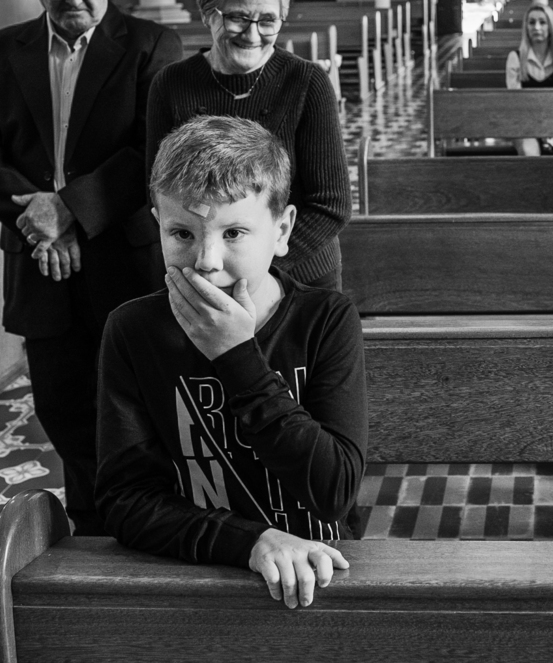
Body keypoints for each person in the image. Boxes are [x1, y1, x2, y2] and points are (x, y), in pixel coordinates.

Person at [0, 0, 182, 536]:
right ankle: (94, 522)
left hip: (121, 255)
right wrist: (40, 219)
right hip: (38, 258)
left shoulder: (148, 46)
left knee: (137, 399)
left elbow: (154, 147)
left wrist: (71, 210)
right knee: (61, 402)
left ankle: (153, 520)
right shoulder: (0, 52)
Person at [96, 115, 367, 610]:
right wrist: (251, 542)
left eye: (235, 232)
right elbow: (124, 502)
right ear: (157, 225)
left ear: (282, 230)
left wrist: (237, 357)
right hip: (199, 577)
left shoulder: (326, 319)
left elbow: (336, 490)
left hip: (322, 573)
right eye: (182, 233)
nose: (206, 260)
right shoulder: (132, 331)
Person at [147, 0, 350, 289]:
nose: (253, 34)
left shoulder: (307, 81)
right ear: (208, 10)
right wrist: (208, 263)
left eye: (268, 20)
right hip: (203, 273)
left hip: (300, 277)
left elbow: (330, 204)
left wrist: (253, 272)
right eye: (239, 17)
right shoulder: (171, 84)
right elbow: (157, 194)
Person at [506, 3, 553, 156]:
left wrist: (550, 128)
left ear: (550, 26)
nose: (536, 27)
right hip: (525, 125)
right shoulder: (516, 58)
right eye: (531, 22)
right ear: (526, 27)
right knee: (529, 150)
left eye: (542, 22)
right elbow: (516, 103)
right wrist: (539, 128)